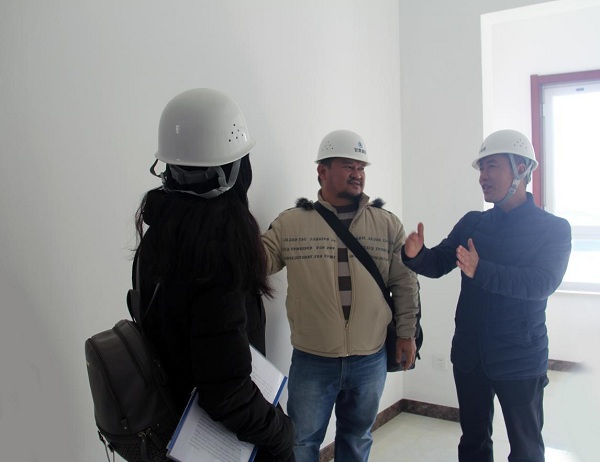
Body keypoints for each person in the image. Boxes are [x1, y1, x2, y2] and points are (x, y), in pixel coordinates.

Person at [134, 88, 295, 461]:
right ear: (235, 171)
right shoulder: (218, 254)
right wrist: (282, 432)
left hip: (173, 429)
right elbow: (227, 393)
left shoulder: (159, 235)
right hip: (222, 441)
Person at [401, 129, 572, 462]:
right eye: (481, 168)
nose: (483, 176)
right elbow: (439, 263)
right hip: (470, 357)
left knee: (526, 449)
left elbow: (541, 283)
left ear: (521, 168)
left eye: (492, 166)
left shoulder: (553, 229)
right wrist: (416, 255)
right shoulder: (472, 223)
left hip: (520, 359)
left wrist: (482, 270)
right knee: (473, 443)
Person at [262, 129, 420, 462]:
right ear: (322, 170)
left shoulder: (387, 224)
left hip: (370, 358)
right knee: (301, 442)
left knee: (357, 438)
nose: (357, 174)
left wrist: (406, 334)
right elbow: (259, 262)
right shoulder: (291, 224)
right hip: (312, 358)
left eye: (361, 167)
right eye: (348, 166)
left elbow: (405, 283)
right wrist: (230, 228)